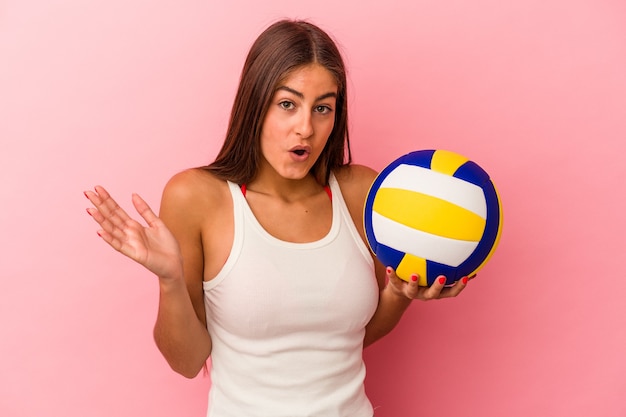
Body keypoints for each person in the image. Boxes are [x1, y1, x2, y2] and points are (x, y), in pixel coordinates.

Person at [84, 19, 469, 417]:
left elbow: (351, 338)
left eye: (323, 108)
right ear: (256, 103)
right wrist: (170, 280)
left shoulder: (360, 192)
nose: (305, 128)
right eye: (288, 104)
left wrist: (398, 296)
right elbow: (186, 362)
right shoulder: (196, 197)